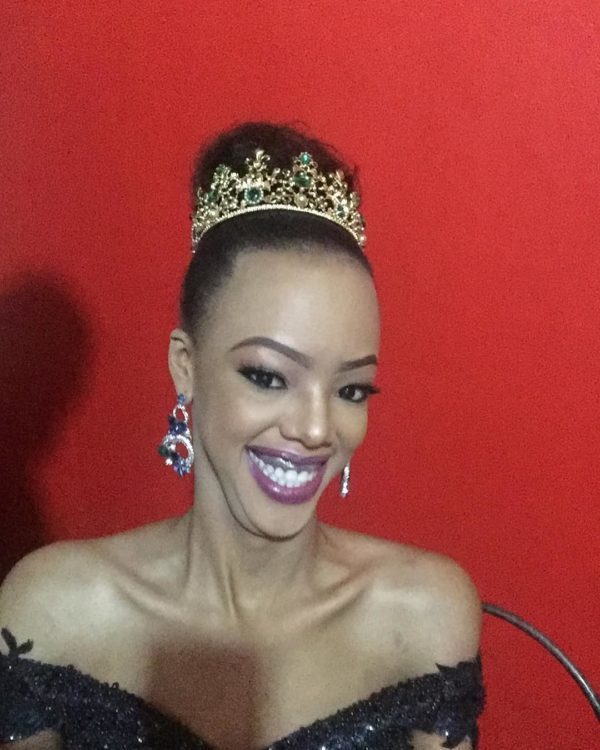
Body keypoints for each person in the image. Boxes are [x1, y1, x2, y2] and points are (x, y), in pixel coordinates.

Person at [0, 123, 484, 749]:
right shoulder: (53, 612)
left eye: (351, 389)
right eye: (267, 376)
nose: (316, 428)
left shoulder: (424, 618)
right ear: (186, 366)